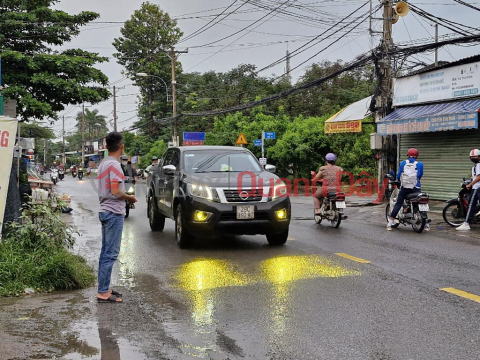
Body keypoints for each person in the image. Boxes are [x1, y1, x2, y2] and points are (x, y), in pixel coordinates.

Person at [96, 132, 137, 303]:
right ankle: (103, 293)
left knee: (105, 252)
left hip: (106, 211)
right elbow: (115, 191)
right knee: (110, 254)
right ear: (121, 147)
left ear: (106, 147)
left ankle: (104, 288)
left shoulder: (104, 164)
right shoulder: (114, 165)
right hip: (113, 213)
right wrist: (129, 198)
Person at [387, 148, 429, 231]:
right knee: (420, 203)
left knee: (398, 204)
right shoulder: (420, 164)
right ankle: (427, 225)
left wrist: (398, 180)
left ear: (408, 155)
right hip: (416, 188)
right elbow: (420, 175)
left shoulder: (403, 163)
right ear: (417, 155)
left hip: (405, 188)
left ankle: (389, 224)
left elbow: (399, 175)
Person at [456, 149, 480, 231]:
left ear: (479, 157)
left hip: (477, 188)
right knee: (472, 204)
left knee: (471, 205)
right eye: (472, 157)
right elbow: (475, 177)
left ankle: (466, 223)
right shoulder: (475, 166)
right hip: (475, 187)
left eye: (475, 156)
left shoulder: (479, 165)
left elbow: (478, 177)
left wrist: (470, 184)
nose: (473, 158)